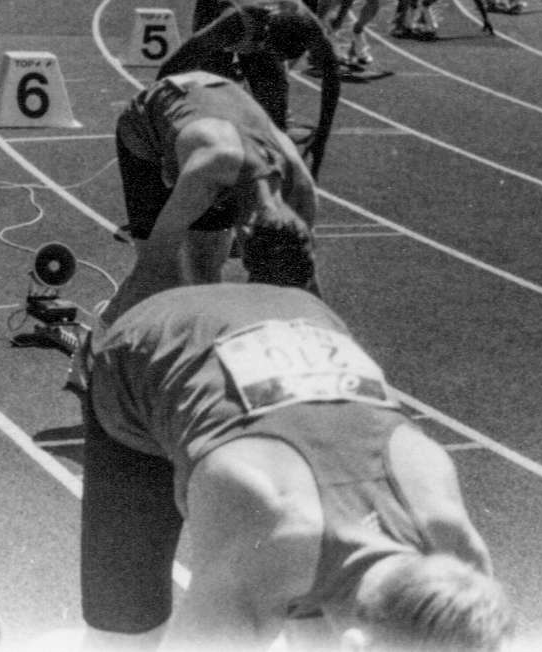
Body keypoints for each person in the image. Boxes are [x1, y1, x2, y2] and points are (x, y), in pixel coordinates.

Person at [77, 283, 514, 650]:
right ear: (354, 646)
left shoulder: (462, 566)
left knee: (312, 607)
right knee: (125, 628)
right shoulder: (270, 540)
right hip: (151, 345)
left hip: (298, 314)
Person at [106, 70, 320, 328]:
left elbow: (307, 284)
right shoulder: (207, 173)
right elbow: (153, 265)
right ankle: (98, 338)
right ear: (243, 231)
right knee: (163, 281)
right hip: (149, 125)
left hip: (216, 107)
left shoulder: (302, 191)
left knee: (205, 268)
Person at [163, 0, 343, 178]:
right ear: (265, 33)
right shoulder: (233, 22)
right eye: (265, 47)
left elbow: (332, 75)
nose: (259, 50)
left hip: (268, 8)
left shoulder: (310, 26)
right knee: (213, 82)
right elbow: (175, 64)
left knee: (274, 110)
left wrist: (322, 136)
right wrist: (160, 118)